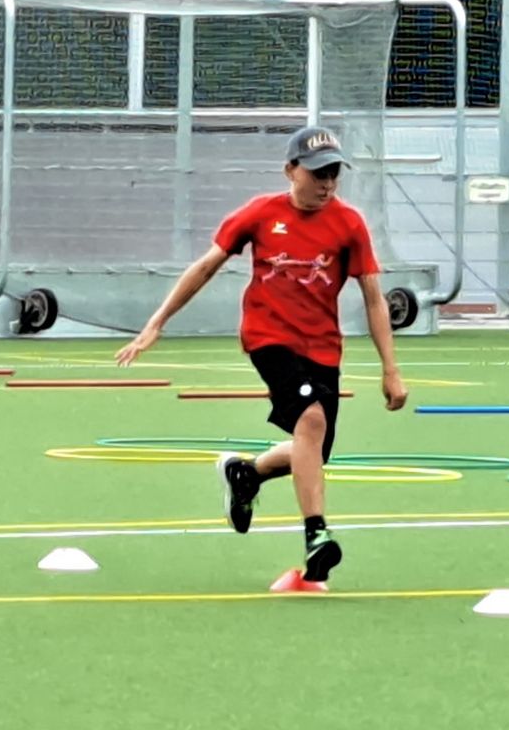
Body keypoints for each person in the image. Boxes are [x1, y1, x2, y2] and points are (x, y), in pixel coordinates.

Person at [114, 126, 409, 590]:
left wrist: (390, 369)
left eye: (333, 174)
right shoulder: (261, 214)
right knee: (311, 419)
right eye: (317, 173)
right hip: (267, 337)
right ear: (291, 170)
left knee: (313, 449)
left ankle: (246, 475)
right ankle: (316, 535)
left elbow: (374, 298)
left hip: (322, 346)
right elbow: (205, 267)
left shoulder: (349, 224)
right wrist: (157, 322)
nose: (327, 183)